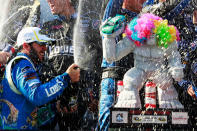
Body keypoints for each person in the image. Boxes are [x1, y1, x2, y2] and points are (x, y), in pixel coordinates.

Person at [0, 27, 80, 130]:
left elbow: (30, 114)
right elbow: (36, 96)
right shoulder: (23, 64)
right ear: (26, 46)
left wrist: (55, 107)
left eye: (45, 44)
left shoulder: (24, 64)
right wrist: (66, 77)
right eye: (41, 44)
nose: (45, 48)